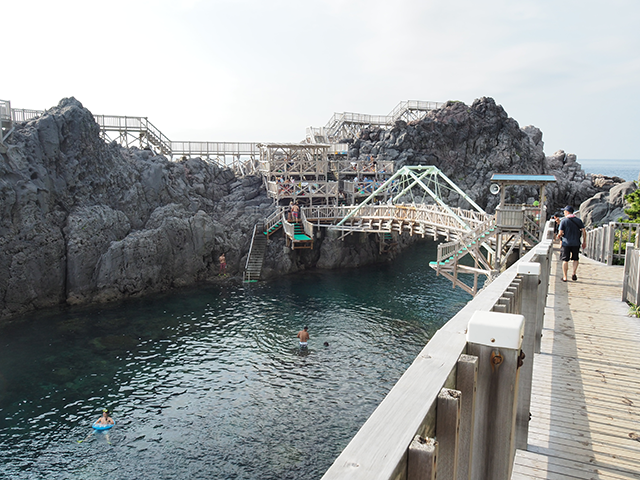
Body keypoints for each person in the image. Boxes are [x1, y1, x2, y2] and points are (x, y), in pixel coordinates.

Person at [557, 206, 586, 282]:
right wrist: (584, 241)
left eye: (564, 211)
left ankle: (565, 277)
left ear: (567, 212)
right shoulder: (578, 221)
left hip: (566, 243)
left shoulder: (563, 221)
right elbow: (584, 231)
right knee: (575, 259)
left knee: (565, 260)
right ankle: (574, 273)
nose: (564, 213)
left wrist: (559, 236)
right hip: (576, 243)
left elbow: (560, 233)